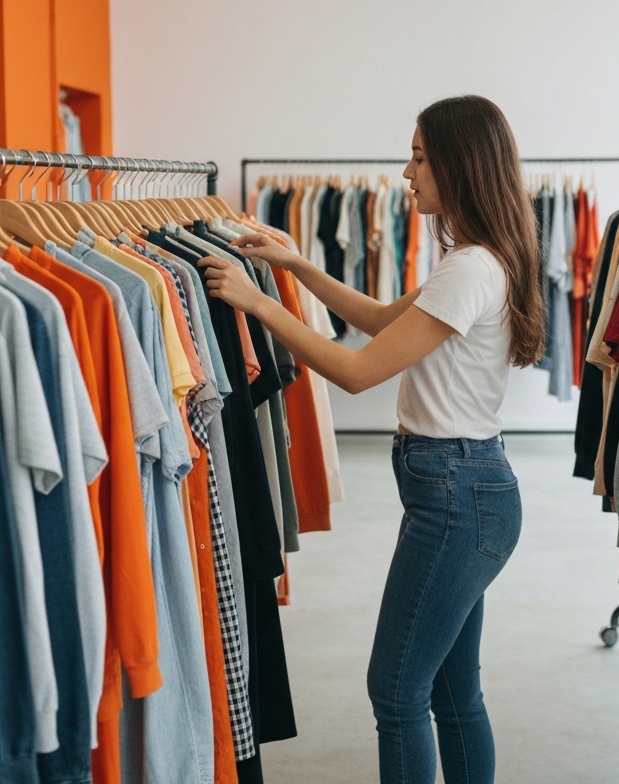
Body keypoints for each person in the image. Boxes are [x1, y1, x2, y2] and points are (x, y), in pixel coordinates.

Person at [199, 94, 545, 784]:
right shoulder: (473, 259)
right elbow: (381, 319)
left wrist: (258, 302)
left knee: (397, 691)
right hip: (468, 490)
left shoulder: (472, 267)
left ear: (459, 163)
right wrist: (295, 266)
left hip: (457, 495)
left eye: (419, 156)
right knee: (451, 692)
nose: (407, 172)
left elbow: (358, 371)